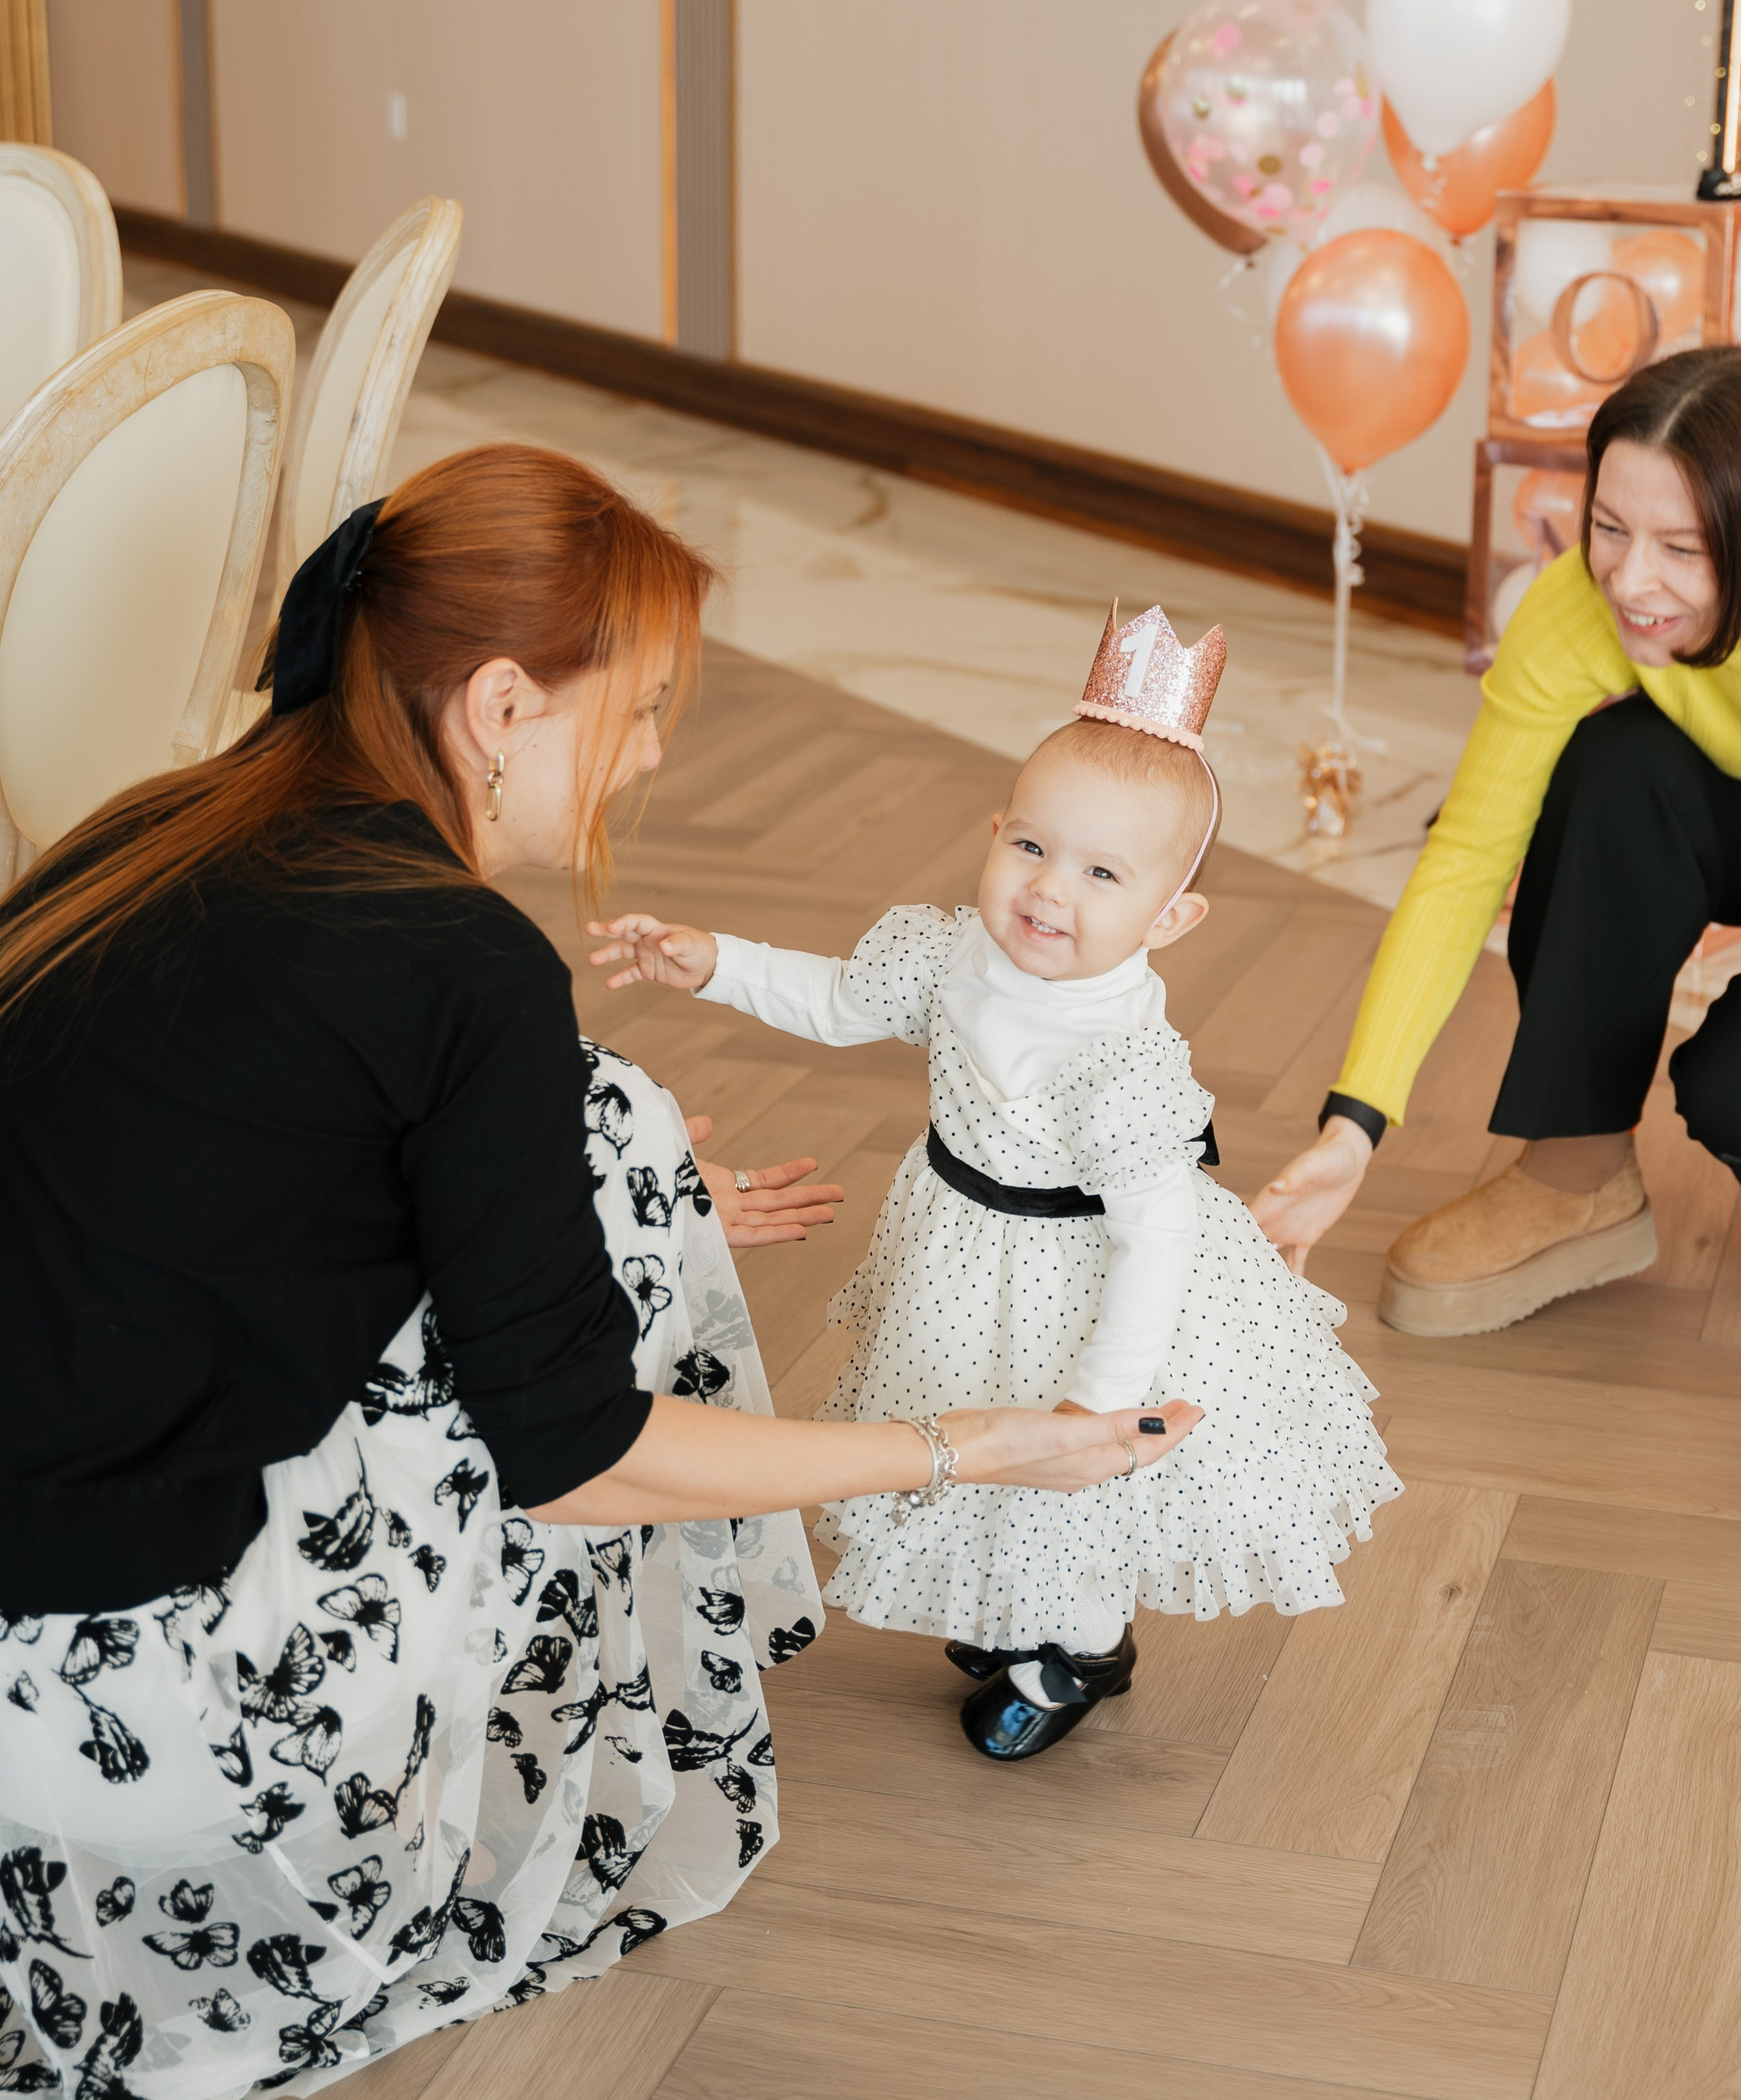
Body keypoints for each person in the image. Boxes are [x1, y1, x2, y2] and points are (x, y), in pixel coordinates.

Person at [0, 446, 1196, 2098]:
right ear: (500, 705)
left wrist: (583, 1164)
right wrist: (977, 1446)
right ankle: (529, 1777)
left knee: (607, 1128)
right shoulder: (462, 961)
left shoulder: (162, 821)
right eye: (633, 712)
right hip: (108, 1704)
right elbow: (581, 1461)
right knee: (603, 1180)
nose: (647, 758)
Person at [1251, 347, 1741, 1546]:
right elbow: (1468, 853)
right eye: (1609, 527)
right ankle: (1575, 1172)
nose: (1632, 580)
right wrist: (1351, 1124)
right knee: (1607, 770)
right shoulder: (1594, 597)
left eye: (1683, 549)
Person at [593, 603, 1399, 1760]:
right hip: (962, 1250)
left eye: (1103, 871)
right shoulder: (951, 950)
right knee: (962, 1428)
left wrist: (1099, 1405)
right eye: (1030, 845)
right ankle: (1008, 1604)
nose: (1048, 889)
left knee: (1055, 1477)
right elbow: (836, 999)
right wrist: (715, 961)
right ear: (996, 829)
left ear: (1173, 915)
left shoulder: (1118, 1056)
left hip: (1079, 1287)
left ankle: (1071, 1649)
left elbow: (1157, 1237)